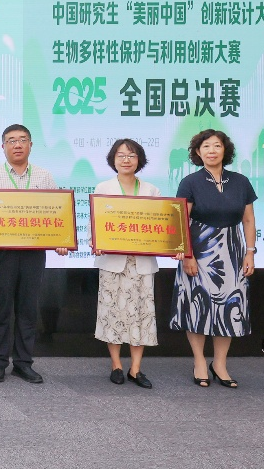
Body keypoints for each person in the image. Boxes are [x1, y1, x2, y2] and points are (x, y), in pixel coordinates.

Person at [0, 124, 70, 384]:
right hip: (3, 252)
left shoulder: (44, 177)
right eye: (11, 140)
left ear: (31, 145)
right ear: (3, 146)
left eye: (22, 140)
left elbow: (58, 211)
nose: (17, 145)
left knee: (28, 308)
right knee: (1, 307)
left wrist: (61, 240)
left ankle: (24, 363)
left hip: (33, 252)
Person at [169, 129, 257, 389]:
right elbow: (181, 220)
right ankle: (199, 361)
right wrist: (187, 254)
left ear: (225, 150)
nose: (211, 151)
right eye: (206, 146)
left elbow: (248, 220)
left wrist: (250, 252)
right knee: (197, 306)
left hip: (232, 250)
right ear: (198, 152)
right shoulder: (190, 182)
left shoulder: (241, 181)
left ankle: (219, 364)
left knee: (229, 307)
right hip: (199, 249)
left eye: (217, 145)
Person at [92, 138, 182, 389]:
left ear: (139, 160)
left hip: (141, 264)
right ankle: (116, 365)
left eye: (131, 156)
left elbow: (162, 226)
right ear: (113, 160)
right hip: (112, 262)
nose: (126, 160)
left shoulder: (151, 191)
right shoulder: (103, 188)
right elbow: (96, 224)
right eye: (120, 155)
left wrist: (174, 246)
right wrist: (96, 241)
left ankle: (136, 368)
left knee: (140, 315)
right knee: (112, 314)